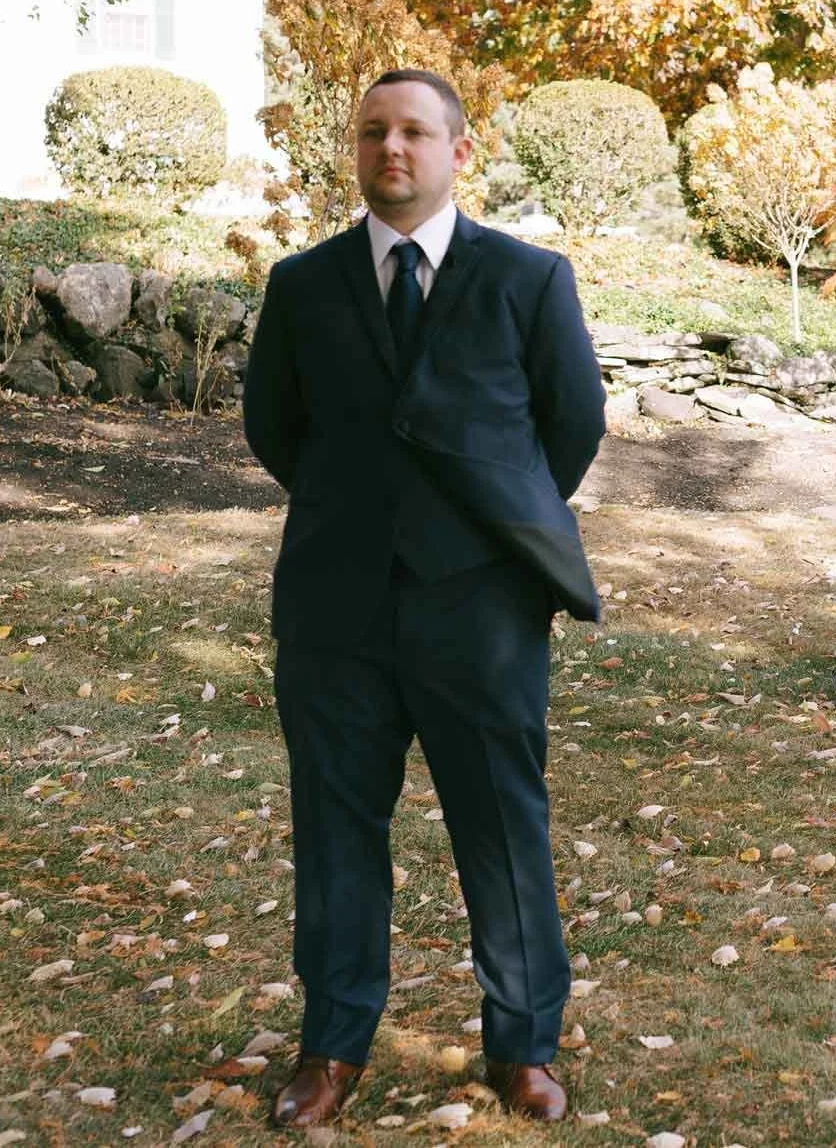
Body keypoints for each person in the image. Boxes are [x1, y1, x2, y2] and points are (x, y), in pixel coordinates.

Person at [243, 68, 606, 1127]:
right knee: (334, 828)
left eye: (412, 131)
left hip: (481, 607)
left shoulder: (529, 278)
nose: (390, 149)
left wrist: (485, 530)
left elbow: (570, 425)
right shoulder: (302, 285)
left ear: (457, 150)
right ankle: (332, 1046)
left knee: (501, 825)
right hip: (336, 605)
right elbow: (276, 428)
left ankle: (523, 1045)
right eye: (372, 133)